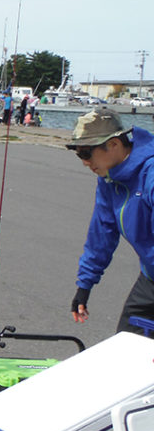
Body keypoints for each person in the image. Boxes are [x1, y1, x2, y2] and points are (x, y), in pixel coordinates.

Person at [68, 108, 154, 333]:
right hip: (150, 278)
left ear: (114, 144)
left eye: (87, 153)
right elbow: (102, 233)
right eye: (79, 154)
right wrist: (84, 285)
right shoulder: (109, 178)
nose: (84, 162)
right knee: (125, 346)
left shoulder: (150, 174)